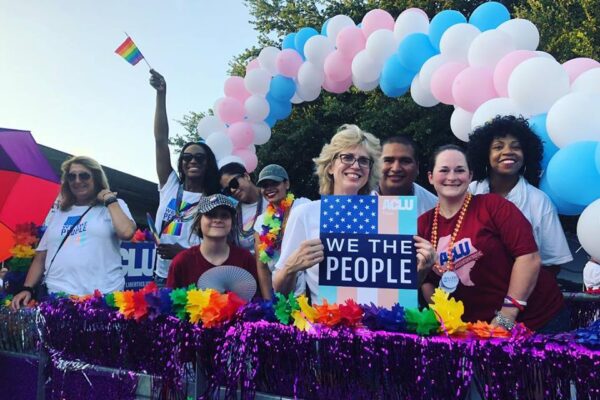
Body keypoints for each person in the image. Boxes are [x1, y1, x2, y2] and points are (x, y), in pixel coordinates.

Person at [272, 124, 436, 303]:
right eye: (347, 157)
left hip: (381, 328)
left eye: (364, 161)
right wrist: (290, 267)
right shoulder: (305, 214)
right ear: (330, 167)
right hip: (328, 329)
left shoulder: (391, 214)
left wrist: (421, 271)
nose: (356, 166)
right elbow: (281, 292)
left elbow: (400, 291)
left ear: (370, 170)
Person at [419, 145, 567, 332]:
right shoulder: (423, 224)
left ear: (470, 175)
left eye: (460, 170)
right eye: (444, 170)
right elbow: (427, 280)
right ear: (430, 177)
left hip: (537, 321)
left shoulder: (494, 206)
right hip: (476, 332)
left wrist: (506, 316)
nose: (452, 177)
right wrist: (447, 320)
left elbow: (528, 258)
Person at [11, 156, 136, 309]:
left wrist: (109, 199)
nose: (77, 181)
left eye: (84, 175)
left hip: (102, 299)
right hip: (58, 299)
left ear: (96, 178)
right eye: (72, 176)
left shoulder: (113, 206)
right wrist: (27, 288)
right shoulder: (58, 213)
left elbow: (127, 232)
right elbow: (41, 257)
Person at [468, 115, 572, 276]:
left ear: (526, 154)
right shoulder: (469, 193)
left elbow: (552, 263)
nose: (508, 152)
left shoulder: (539, 201)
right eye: (498, 147)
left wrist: (519, 293)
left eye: (516, 147)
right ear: (485, 155)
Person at [149, 70, 221, 287]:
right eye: (187, 157)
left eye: (200, 158)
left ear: (207, 164)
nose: (193, 161)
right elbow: (160, 140)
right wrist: (161, 95)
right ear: (180, 164)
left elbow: (219, 248)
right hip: (162, 279)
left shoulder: (215, 199)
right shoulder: (170, 185)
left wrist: (183, 253)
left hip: (195, 280)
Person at [166, 194, 257, 290]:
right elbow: (169, 302)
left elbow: (256, 301)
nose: (218, 220)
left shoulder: (245, 259)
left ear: (232, 223)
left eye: (224, 216)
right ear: (198, 222)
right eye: (211, 215)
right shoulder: (182, 262)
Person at [253, 164, 311, 299]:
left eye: (274, 183)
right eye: (264, 185)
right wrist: (269, 302)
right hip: (280, 289)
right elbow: (262, 267)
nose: (269, 189)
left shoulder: (303, 206)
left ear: (287, 184)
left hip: (308, 288)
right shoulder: (261, 222)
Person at [377, 135, 437, 215]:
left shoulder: (435, 208)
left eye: (405, 161)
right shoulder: (358, 200)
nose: (396, 168)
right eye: (388, 160)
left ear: (417, 167)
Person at [219, 162, 265, 254]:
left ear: (246, 176)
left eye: (233, 183)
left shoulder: (272, 197)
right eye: (227, 190)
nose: (232, 190)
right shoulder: (232, 213)